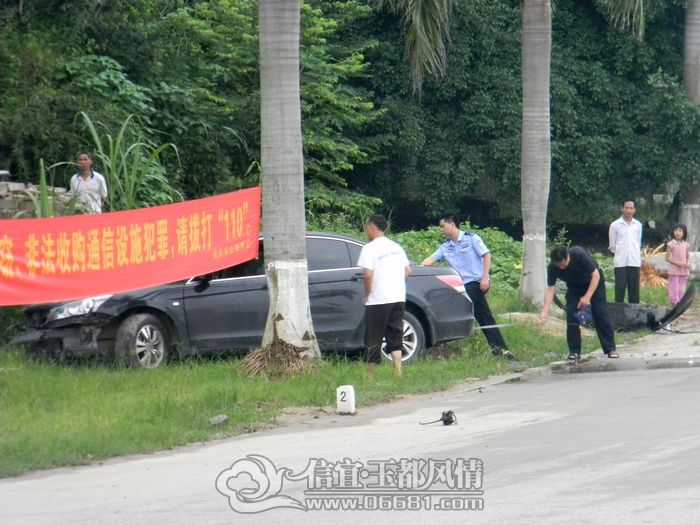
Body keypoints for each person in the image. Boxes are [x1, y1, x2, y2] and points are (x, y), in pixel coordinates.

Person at [421, 214, 510, 357]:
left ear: (451, 224)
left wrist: (485, 278)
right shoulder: (445, 246)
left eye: (443, 226)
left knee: (479, 316)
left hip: (474, 284)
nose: (441, 230)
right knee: (482, 317)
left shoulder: (471, 238)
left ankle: (501, 350)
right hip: (458, 286)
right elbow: (430, 259)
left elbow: (486, 255)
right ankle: (499, 350)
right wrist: (415, 269)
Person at [539, 246, 619, 361]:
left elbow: (596, 275)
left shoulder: (578, 254)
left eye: (564, 264)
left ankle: (610, 348)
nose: (562, 267)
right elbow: (550, 289)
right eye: (559, 265)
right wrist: (544, 312)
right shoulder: (552, 267)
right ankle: (574, 351)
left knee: (600, 313)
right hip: (574, 287)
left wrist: (587, 297)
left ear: (567, 256)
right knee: (572, 315)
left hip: (594, 282)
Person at [357, 215, 411, 376]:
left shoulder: (370, 248)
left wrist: (367, 294)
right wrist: (396, 285)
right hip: (397, 297)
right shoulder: (396, 247)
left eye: (366, 228)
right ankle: (398, 371)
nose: (366, 232)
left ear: (372, 228)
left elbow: (367, 275)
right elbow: (408, 271)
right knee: (395, 333)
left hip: (378, 299)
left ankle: (370, 374)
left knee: (373, 336)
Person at [609, 199, 642, 303]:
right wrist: (620, 254)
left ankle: (635, 315)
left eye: (631, 208)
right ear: (622, 209)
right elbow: (612, 246)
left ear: (634, 210)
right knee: (620, 289)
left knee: (634, 291)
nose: (629, 210)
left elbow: (638, 242)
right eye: (626, 208)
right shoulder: (615, 225)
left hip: (634, 262)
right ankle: (618, 314)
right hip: (620, 262)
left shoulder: (638, 225)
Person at [665, 223, 691, 306]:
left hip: (684, 271)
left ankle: (681, 305)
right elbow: (667, 258)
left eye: (680, 230)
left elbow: (687, 256)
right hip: (674, 271)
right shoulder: (671, 244)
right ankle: (674, 304)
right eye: (676, 230)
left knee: (682, 288)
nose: (677, 232)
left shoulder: (686, 245)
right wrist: (678, 263)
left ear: (684, 233)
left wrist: (688, 263)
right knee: (674, 288)